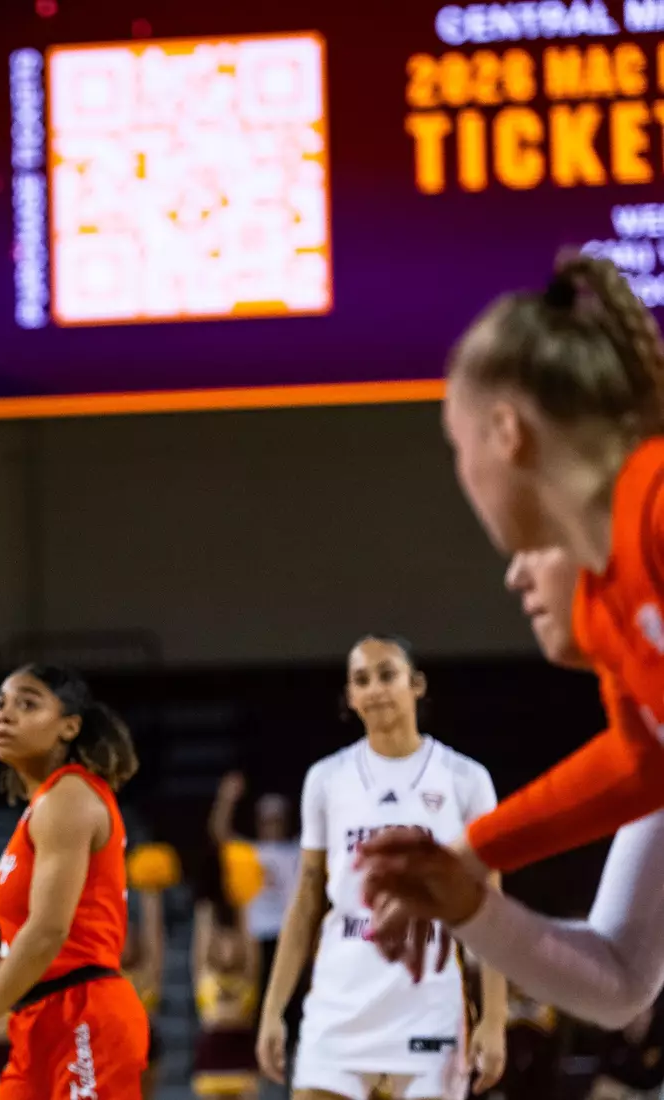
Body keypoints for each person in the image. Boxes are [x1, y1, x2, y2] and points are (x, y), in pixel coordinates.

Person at [357, 256, 664, 1021]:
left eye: (458, 448)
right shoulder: (607, 609)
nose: (463, 475)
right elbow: (640, 766)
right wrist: (468, 855)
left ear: (506, 432)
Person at [255, 635, 508, 1100]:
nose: (375, 689)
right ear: (350, 698)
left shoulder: (465, 778)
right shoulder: (326, 779)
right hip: (340, 997)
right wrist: (273, 1009)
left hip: (427, 997)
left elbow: (491, 901)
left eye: (387, 674)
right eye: (361, 680)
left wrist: (494, 1018)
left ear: (416, 685)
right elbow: (307, 897)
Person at [0, 663, 147, 1099]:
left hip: (84, 1010)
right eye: (0, 705)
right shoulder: (42, 806)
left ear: (69, 726)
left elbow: (48, 929)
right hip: (38, 1016)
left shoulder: (70, 794)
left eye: (28, 704)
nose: (5, 715)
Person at [209, 774, 300, 987]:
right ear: (259, 822)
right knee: (257, 991)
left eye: (277, 820)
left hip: (288, 932)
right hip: (254, 935)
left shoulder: (296, 850)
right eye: (267, 821)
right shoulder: (250, 851)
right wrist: (226, 799)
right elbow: (220, 835)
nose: (272, 825)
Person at [191, 887, 259, 1100]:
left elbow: (250, 942)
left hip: (242, 1051)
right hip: (212, 1053)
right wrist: (208, 891)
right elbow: (201, 939)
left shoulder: (248, 976)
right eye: (222, 941)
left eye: (232, 940)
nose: (227, 946)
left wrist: (243, 893)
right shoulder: (205, 975)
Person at [122, 888, 166, 1100]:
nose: (125, 942)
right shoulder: (107, 973)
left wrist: (151, 893)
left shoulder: (147, 973)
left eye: (129, 934)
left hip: (145, 1042)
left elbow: (155, 938)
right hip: (115, 1044)